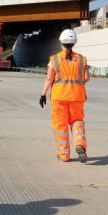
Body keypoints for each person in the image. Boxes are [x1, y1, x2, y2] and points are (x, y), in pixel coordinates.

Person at [39, 29, 90, 163]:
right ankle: (80, 145)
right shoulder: (82, 59)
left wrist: (43, 94)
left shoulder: (54, 59)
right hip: (77, 97)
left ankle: (64, 155)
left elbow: (49, 79)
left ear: (61, 42)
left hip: (59, 98)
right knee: (77, 122)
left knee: (60, 127)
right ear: (74, 43)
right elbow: (85, 78)